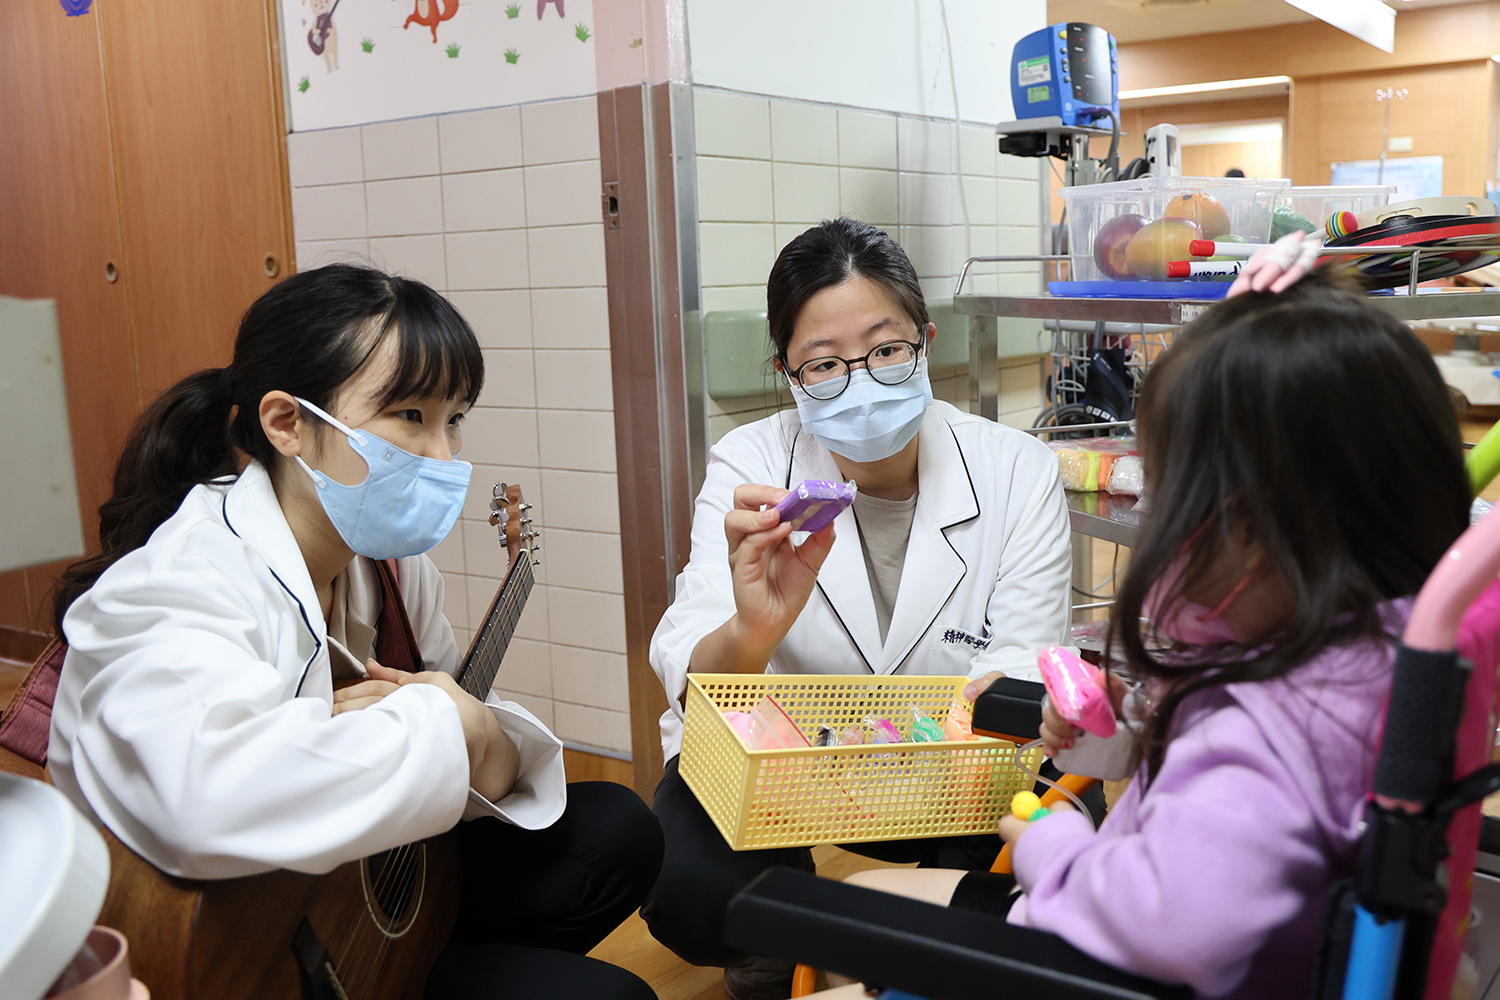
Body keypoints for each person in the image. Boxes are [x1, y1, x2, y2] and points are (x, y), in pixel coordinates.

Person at [816, 267, 1471, 999]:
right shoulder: (1360, 652)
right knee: (871, 896)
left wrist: (1055, 849)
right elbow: (1213, 814)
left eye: (1159, 485)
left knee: (832, 941)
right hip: (1138, 923)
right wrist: (1130, 728)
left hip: (1099, 955)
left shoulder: (1260, 739)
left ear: (1247, 530)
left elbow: (1178, 925)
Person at [47, 265, 663, 999]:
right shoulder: (183, 582)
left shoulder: (392, 567)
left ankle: (396, 955)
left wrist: (471, 735)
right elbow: (205, 797)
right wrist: (439, 721)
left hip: (346, 909)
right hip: (236, 954)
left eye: (455, 418)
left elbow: (455, 744)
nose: (445, 456)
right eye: (410, 416)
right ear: (288, 424)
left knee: (618, 828)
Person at [641, 218, 1074, 998]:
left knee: (1044, 825)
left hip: (951, 773)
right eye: (824, 365)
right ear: (787, 374)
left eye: (885, 350)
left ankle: (905, 961)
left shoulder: (1017, 470)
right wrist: (754, 627)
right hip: (778, 779)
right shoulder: (750, 466)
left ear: (926, 343)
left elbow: (1020, 670)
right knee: (689, 878)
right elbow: (691, 680)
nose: (862, 380)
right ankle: (774, 958)